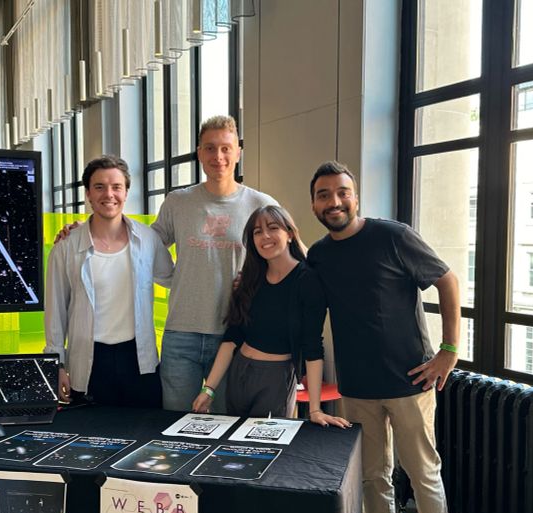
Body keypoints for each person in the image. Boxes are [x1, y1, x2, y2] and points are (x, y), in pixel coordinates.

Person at [56, 115, 277, 412]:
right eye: (210, 148)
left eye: (226, 148)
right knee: (171, 426)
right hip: (180, 335)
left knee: (223, 422)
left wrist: (255, 282)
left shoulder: (261, 205)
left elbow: (285, 259)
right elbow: (142, 242)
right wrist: (84, 228)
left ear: (238, 151)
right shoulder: (178, 202)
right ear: (199, 152)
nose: (218, 157)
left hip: (233, 333)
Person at [306, 161, 459, 513]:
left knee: (424, 475)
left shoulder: (394, 236)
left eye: (342, 192)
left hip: (411, 383)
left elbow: (447, 280)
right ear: (314, 206)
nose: (334, 201)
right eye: (324, 195)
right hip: (357, 390)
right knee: (375, 481)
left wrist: (449, 350)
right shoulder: (319, 256)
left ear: (355, 197)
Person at [190, 205, 350, 427]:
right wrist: (209, 389)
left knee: (264, 453)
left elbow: (313, 346)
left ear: (290, 234)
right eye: (257, 231)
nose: (265, 236)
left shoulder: (307, 280)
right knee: (232, 448)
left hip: (276, 379)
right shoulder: (249, 279)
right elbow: (232, 337)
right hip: (239, 373)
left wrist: (314, 409)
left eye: (273, 228)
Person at [44, 155, 174, 407]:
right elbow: (55, 312)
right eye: (99, 187)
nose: (109, 194)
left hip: (139, 358)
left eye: (116, 187)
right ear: (89, 194)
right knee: (91, 439)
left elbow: (173, 279)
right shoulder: (66, 247)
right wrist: (56, 364)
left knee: (143, 435)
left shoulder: (147, 240)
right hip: (90, 360)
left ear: (126, 192)